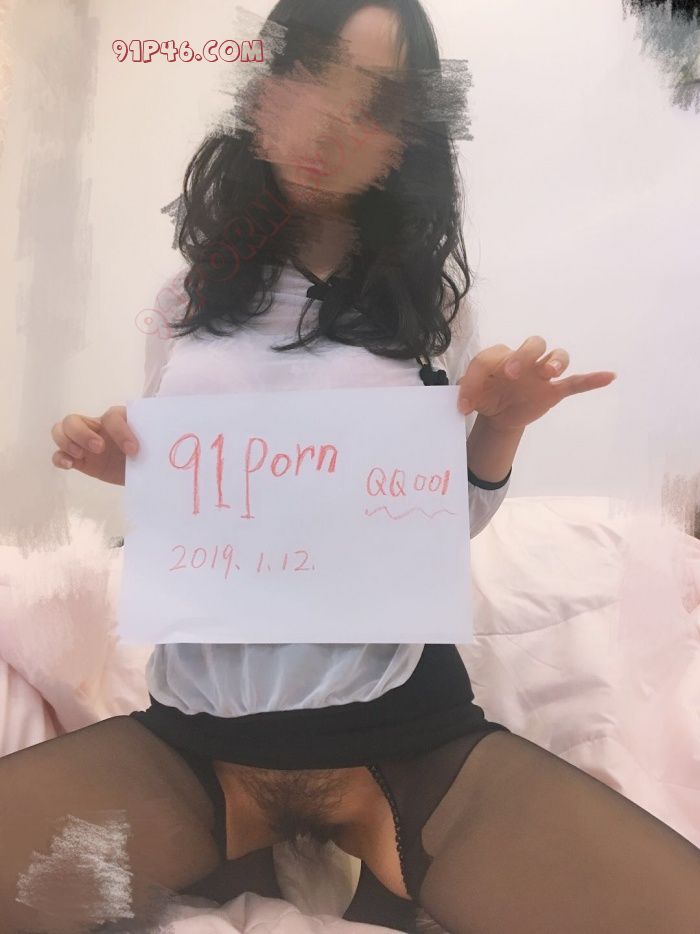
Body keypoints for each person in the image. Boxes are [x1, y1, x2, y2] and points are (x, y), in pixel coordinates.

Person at [4, 1, 699, 932]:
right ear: (263, 87)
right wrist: (127, 466)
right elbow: (214, 504)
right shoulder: (184, 305)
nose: (330, 122)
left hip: (405, 741)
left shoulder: (432, 314)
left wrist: (500, 430)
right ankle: (281, 851)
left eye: (373, 103)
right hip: (196, 744)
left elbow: (428, 527)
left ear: (406, 140)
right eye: (308, 75)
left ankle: (361, 858)